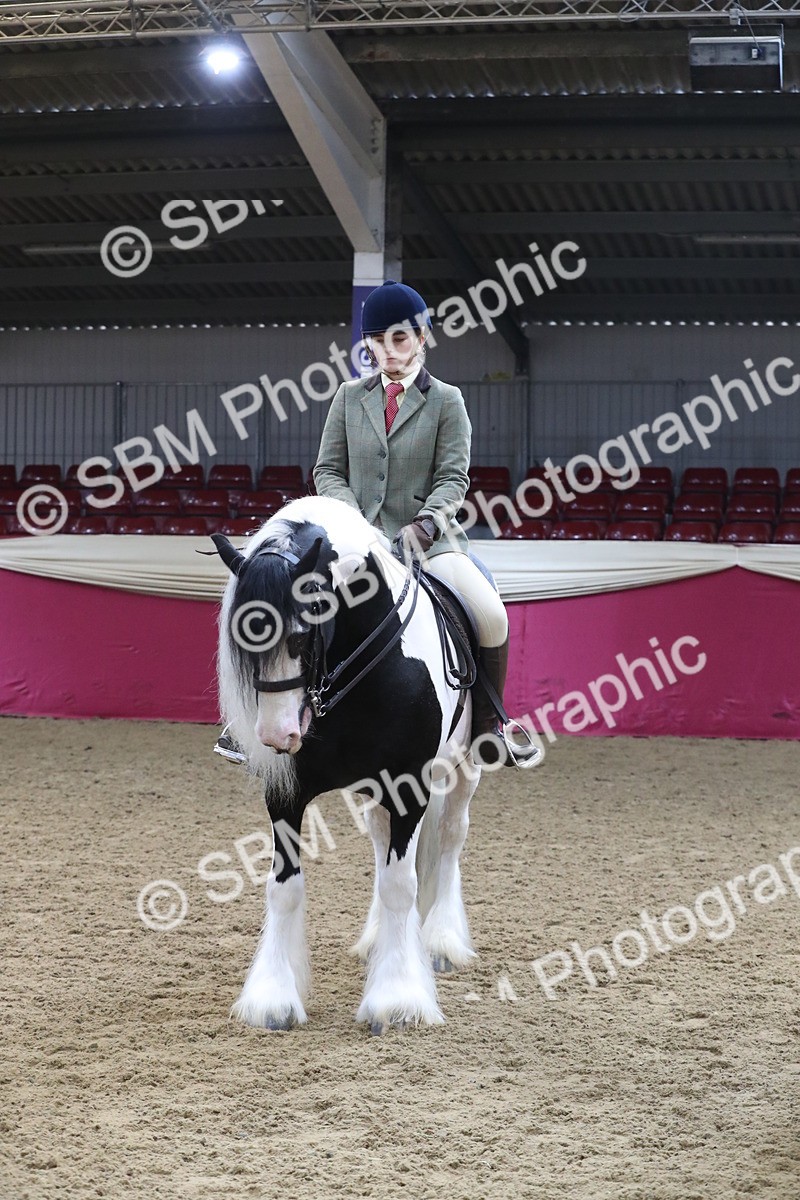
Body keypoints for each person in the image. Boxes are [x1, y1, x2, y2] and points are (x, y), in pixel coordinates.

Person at [311, 279, 539, 768]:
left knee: (491, 614)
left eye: (399, 339)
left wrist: (424, 525)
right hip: (358, 541)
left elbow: (454, 477)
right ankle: (276, 719)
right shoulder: (349, 398)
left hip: (430, 543)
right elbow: (327, 470)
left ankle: (487, 726)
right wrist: (353, 521)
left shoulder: (447, 401)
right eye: (378, 341)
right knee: (296, 604)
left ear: (421, 338)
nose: (389, 351)